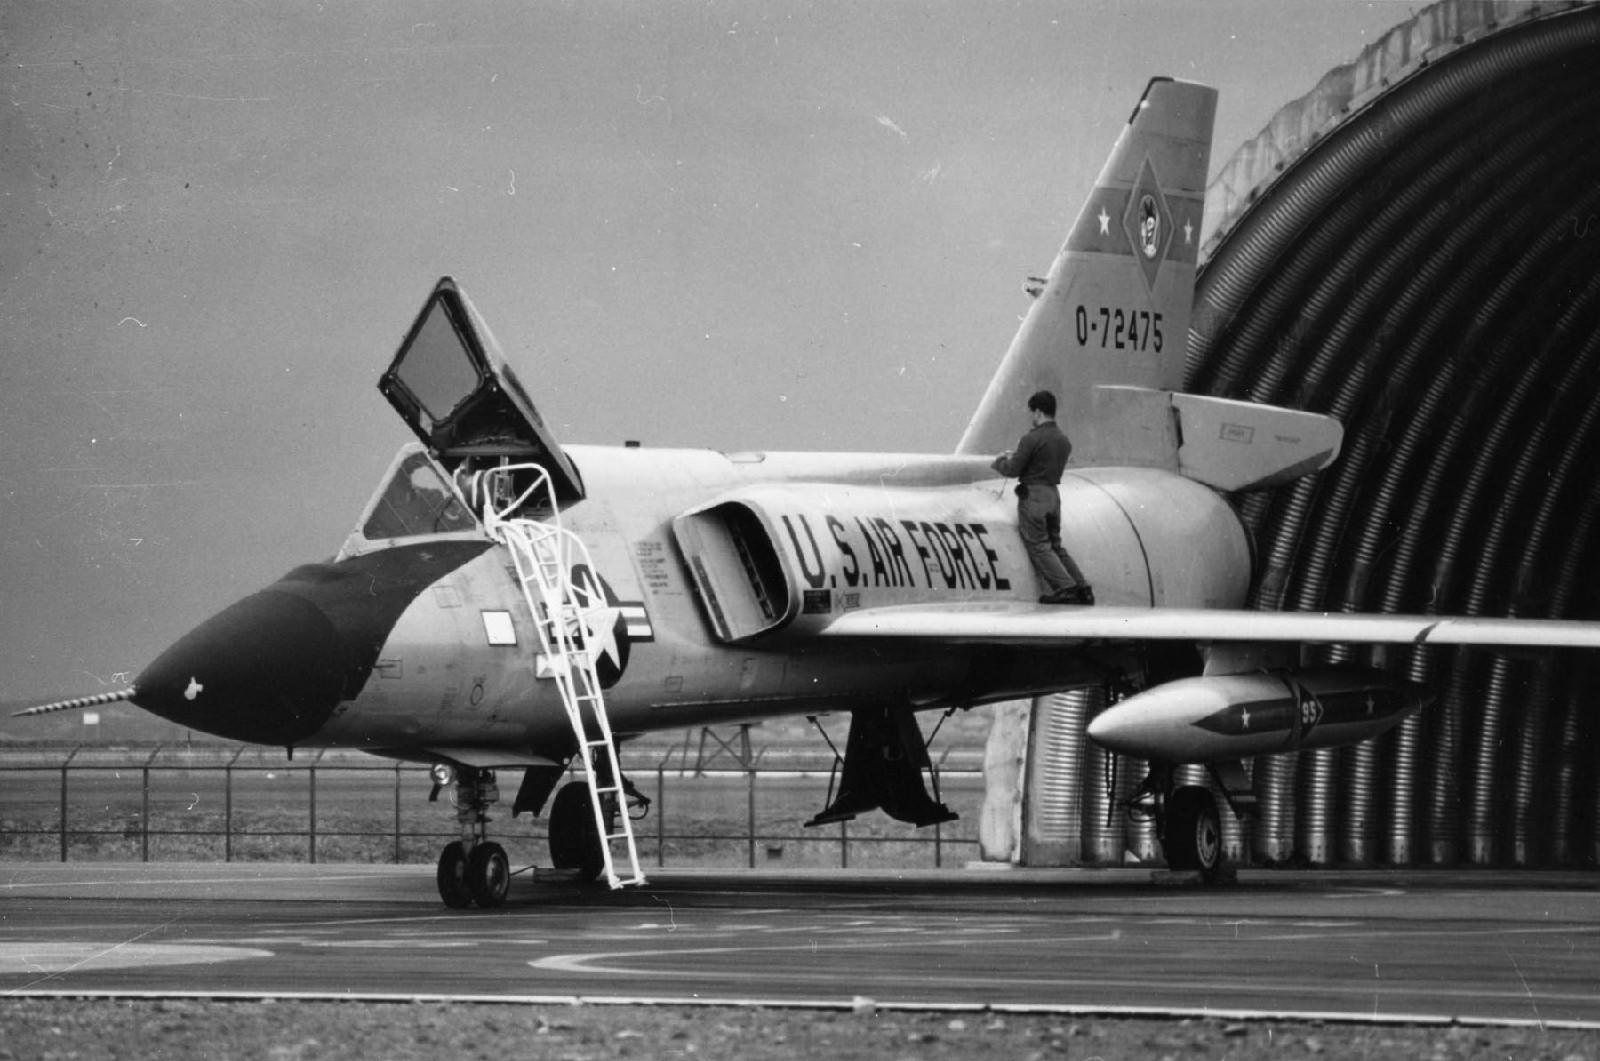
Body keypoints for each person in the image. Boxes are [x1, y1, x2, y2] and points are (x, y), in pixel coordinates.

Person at [990, 390, 1094, 605]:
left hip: (1034, 497)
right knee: (1055, 545)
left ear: (1037, 412)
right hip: (1053, 495)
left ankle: (1066, 587)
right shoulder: (1063, 440)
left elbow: (1013, 469)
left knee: (1038, 545)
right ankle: (1082, 587)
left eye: (1032, 412)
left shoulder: (1031, 439)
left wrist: (999, 462)